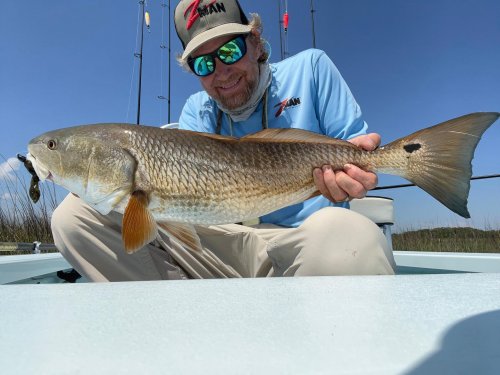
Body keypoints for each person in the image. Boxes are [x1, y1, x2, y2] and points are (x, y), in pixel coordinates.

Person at [51, 0, 396, 281]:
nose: (221, 70)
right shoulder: (194, 112)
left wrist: (358, 174)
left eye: (230, 51)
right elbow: (176, 216)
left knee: (352, 235)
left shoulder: (311, 69)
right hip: (222, 242)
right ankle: (179, 327)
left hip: (305, 241)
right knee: (73, 217)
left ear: (256, 41)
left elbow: (355, 149)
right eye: (203, 63)